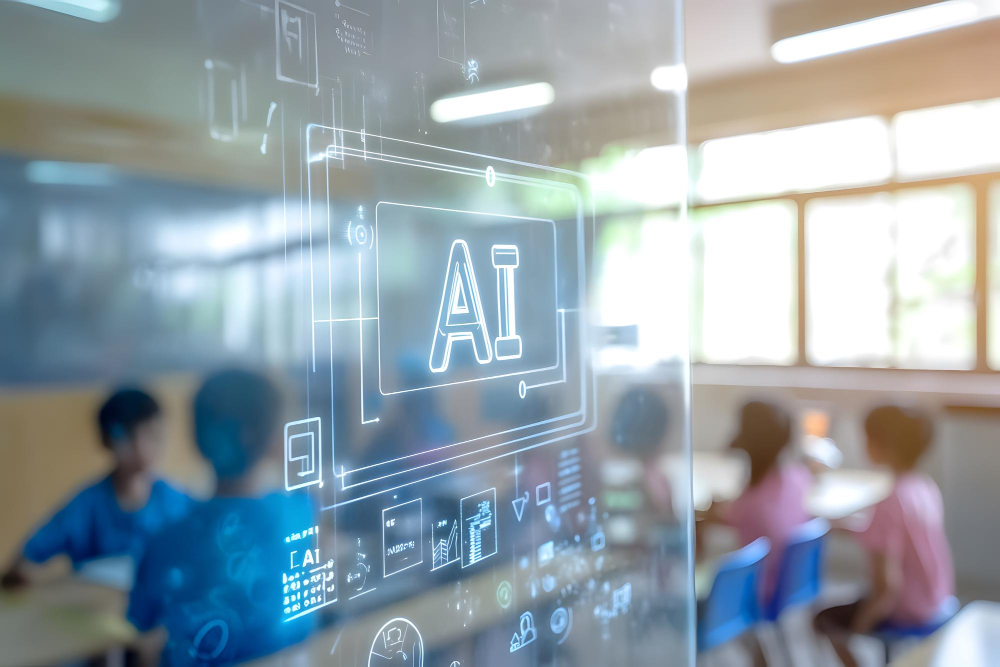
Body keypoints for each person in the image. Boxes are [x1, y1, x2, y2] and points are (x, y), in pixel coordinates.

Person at [127, 369, 316, 666]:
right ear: (276, 439)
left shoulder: (165, 539)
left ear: (199, 440)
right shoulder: (300, 513)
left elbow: (139, 623)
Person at [1, 387, 192, 588]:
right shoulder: (85, 507)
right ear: (108, 440)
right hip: (97, 613)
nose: (143, 447)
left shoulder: (178, 503)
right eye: (129, 436)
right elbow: (24, 561)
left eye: (154, 435)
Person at [813, 405, 954, 667]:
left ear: (881, 445)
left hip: (906, 609)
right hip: (937, 598)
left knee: (824, 621)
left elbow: (887, 587)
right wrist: (849, 527)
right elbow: (904, 537)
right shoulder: (923, 488)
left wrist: (860, 626)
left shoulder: (888, 504)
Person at [704, 400, 812, 597]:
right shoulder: (799, 477)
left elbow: (727, 516)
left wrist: (708, 514)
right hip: (790, 583)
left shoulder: (752, 501)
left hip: (758, 590)